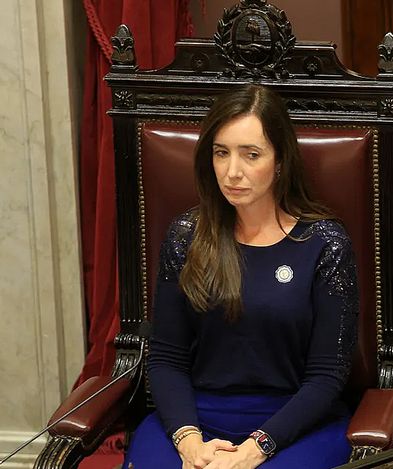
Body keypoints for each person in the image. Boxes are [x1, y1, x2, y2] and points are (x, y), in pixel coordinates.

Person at [124, 84, 359, 468]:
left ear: (280, 160)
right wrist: (190, 443)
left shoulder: (325, 244)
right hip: (194, 418)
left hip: (294, 423)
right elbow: (166, 358)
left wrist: (255, 450)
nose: (233, 172)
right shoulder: (186, 236)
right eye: (221, 153)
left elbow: (328, 376)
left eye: (251, 155)